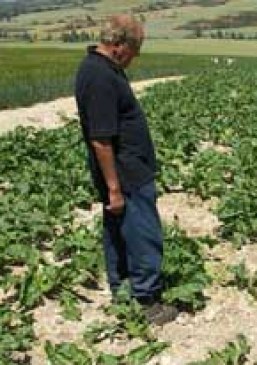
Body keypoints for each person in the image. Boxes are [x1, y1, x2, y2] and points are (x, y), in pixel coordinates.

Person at [74, 14, 177, 325]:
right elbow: (101, 139)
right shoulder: (101, 77)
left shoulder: (100, 69)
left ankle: (122, 291)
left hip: (123, 172)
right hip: (126, 173)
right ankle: (147, 301)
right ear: (119, 46)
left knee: (119, 231)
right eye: (136, 50)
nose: (136, 58)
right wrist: (115, 188)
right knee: (143, 233)